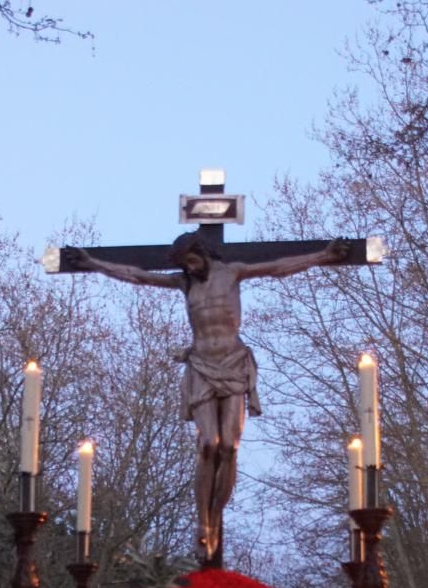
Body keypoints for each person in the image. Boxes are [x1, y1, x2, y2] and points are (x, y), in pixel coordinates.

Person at [62, 233, 350, 563]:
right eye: (184, 263)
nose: (189, 267)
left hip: (233, 362)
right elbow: (136, 275)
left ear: (201, 252)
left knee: (229, 446)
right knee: (208, 443)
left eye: (192, 260)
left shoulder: (233, 272)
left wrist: (324, 256)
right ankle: (202, 521)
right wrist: (92, 263)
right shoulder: (184, 284)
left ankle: (214, 520)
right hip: (201, 365)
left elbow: (278, 267)